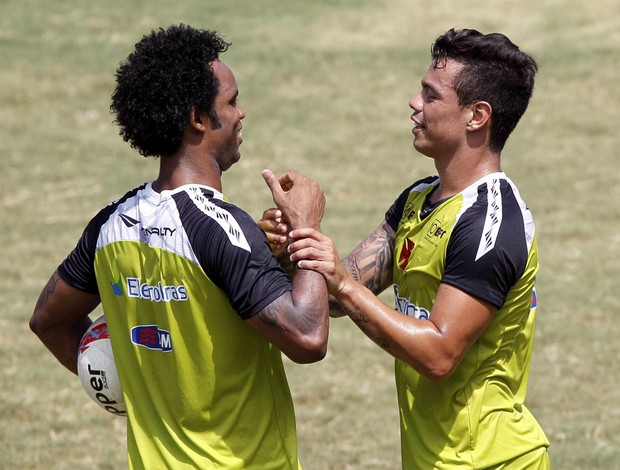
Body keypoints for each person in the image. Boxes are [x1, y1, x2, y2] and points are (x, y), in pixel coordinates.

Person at [30, 24, 330, 469]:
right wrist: (307, 229)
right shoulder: (222, 230)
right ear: (197, 118)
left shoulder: (110, 226)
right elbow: (307, 337)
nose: (241, 113)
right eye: (230, 102)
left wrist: (126, 384)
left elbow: (48, 321)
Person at [261, 28, 550, 468]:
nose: (415, 104)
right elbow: (344, 294)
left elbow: (438, 356)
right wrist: (292, 245)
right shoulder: (419, 199)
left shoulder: (492, 223)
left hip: (491, 460)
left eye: (430, 96)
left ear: (477, 115)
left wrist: (340, 280)